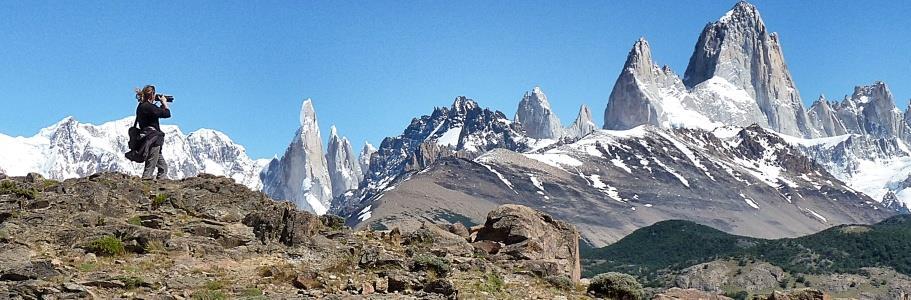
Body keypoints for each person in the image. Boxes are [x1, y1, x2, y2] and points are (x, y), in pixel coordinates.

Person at [135, 85, 171, 180]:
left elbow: (156, 112)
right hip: (153, 139)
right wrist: (164, 104)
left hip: (147, 138)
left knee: (163, 168)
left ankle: (160, 186)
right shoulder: (149, 107)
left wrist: (160, 105)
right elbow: (166, 114)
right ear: (152, 95)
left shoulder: (141, 106)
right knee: (150, 166)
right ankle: (146, 185)